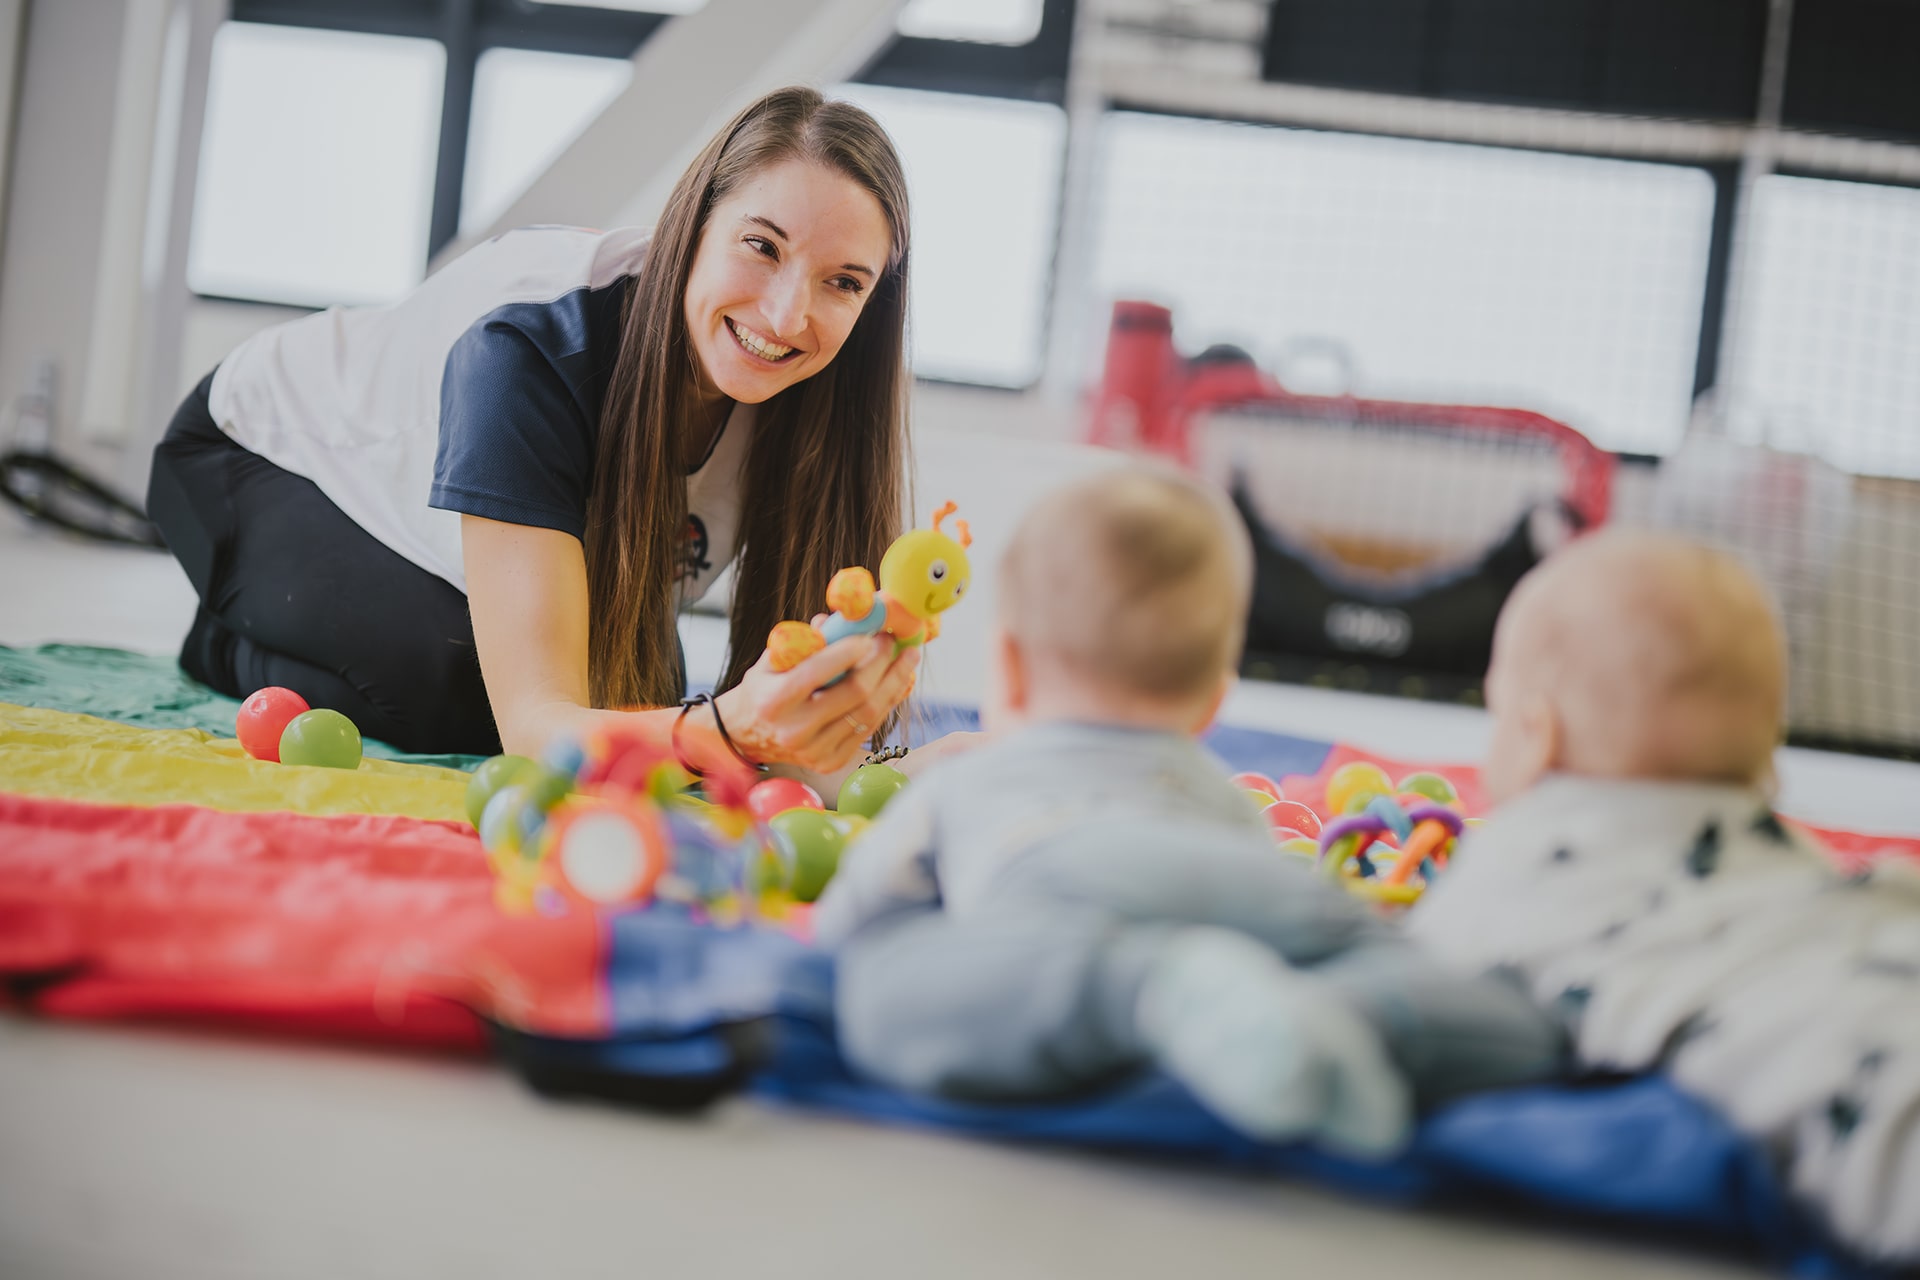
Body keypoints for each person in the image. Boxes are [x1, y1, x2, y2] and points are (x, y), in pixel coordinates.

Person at [146, 87, 921, 782]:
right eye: (762, 246)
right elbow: (536, 730)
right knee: (469, 687)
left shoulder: (822, 405)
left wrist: (893, 756)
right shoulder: (530, 346)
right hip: (260, 459)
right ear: (692, 227)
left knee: (635, 700)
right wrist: (726, 730)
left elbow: (796, 748)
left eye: (842, 282)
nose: (786, 316)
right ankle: (224, 638)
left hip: (443, 521)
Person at [813, 464, 1564, 1153]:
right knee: (1367, 947)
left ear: (1007, 670)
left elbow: (850, 923)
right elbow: (1251, 865)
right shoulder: (1217, 790)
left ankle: (1151, 990)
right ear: (1212, 701)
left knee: (878, 989)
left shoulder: (965, 780)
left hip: (1058, 876)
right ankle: (1390, 1012)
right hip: (1249, 888)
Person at [1408, 529, 1920, 1264]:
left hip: (1842, 1073)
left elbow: (1422, 990)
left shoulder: (1518, 861)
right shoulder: (1791, 859)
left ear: (1536, 734)